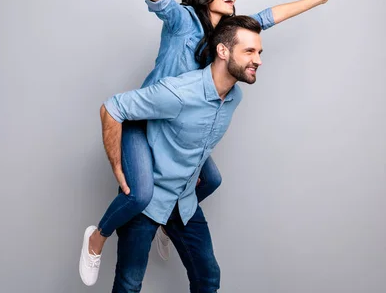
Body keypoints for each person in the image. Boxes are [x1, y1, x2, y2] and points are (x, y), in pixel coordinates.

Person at [75, 0, 340, 285]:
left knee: (209, 180)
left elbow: (268, 17)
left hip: (173, 125)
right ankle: (97, 238)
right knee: (140, 193)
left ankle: (168, 222)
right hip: (145, 120)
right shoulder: (183, 20)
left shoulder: (225, 37)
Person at [83, 16, 264, 292]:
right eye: (249, 51)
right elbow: (113, 108)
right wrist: (118, 167)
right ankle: (97, 236)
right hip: (149, 203)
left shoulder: (234, 98)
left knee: (208, 278)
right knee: (129, 285)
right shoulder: (179, 93)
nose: (258, 60)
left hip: (185, 203)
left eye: (259, 52)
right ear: (223, 51)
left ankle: (168, 228)